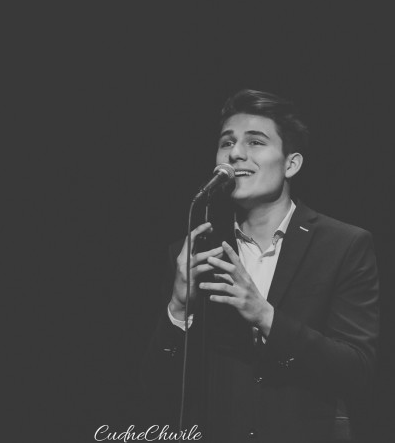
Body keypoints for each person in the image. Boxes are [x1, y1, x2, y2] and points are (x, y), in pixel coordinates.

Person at [142, 89, 380, 442]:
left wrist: (265, 316)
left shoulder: (343, 245)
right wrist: (178, 309)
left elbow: (355, 369)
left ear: (291, 164)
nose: (236, 153)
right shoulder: (195, 251)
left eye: (255, 142)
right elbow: (158, 384)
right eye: (227, 143)